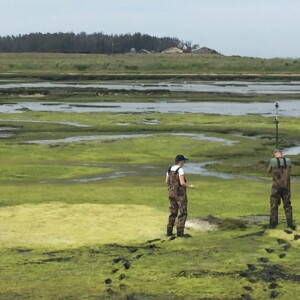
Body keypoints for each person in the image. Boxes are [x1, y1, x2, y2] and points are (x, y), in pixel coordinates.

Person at [165, 154, 194, 237]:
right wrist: (190, 186)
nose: (184, 163)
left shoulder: (169, 169)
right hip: (180, 195)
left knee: (173, 212)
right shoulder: (180, 170)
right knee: (183, 212)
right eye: (183, 161)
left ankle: (169, 231)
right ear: (180, 162)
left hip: (171, 193)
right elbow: (182, 183)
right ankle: (180, 232)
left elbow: (166, 182)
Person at [267, 149, 295, 230]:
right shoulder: (288, 161)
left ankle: (272, 224)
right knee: (287, 205)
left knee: (274, 205)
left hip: (276, 187)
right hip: (286, 186)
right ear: (282, 154)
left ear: (274, 155)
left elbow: (268, 171)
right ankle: (290, 224)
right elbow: (290, 170)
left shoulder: (273, 161)